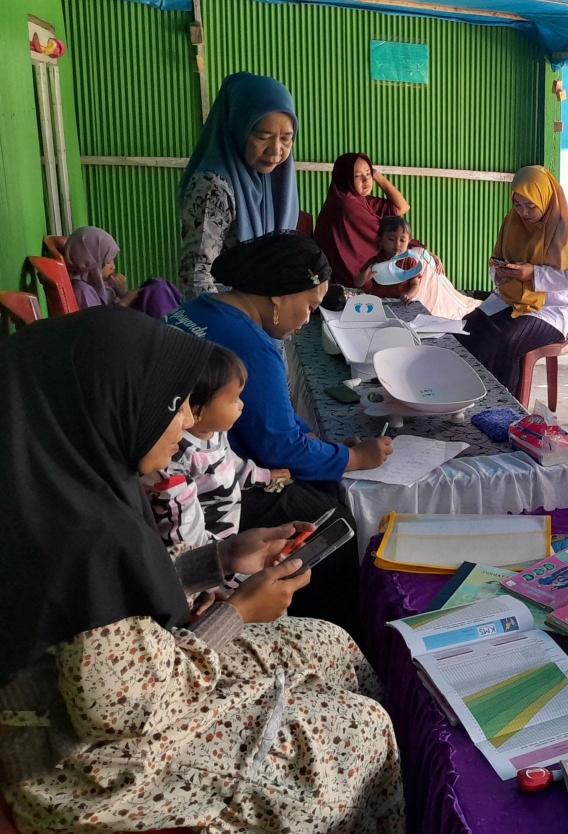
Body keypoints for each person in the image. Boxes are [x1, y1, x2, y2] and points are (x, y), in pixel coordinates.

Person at [0, 306, 404, 832]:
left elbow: (119, 598)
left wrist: (218, 559)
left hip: (131, 683)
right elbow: (123, 711)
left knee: (328, 644)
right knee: (363, 731)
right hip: (89, 770)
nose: (188, 421)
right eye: (172, 405)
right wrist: (237, 613)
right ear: (112, 406)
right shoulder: (83, 537)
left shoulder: (66, 486)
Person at [169, 233, 390, 629]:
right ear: (279, 297)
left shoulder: (204, 308)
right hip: (205, 486)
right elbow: (278, 447)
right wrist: (355, 457)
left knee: (317, 487)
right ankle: (329, 629)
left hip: (203, 460)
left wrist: (326, 449)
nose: (307, 320)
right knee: (332, 521)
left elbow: (275, 428)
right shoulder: (249, 345)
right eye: (308, 307)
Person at [458, 165, 568, 393]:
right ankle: (468, 396)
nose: (523, 212)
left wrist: (534, 274)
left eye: (530, 205)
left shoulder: (567, 233)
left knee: (507, 340)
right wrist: (500, 273)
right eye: (517, 204)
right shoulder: (513, 223)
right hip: (511, 300)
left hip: (550, 310)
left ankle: (507, 407)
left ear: (546, 198)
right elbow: (496, 259)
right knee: (468, 328)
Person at [142, 345, 289, 547]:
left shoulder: (215, 432)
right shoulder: (175, 460)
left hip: (230, 529)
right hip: (209, 549)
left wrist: (265, 477)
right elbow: (187, 547)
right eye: (233, 398)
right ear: (196, 410)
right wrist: (227, 559)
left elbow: (230, 464)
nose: (241, 404)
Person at [178, 73, 299, 299]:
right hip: (228, 317)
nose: (275, 150)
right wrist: (232, 329)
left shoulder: (274, 182)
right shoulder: (213, 186)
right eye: (263, 136)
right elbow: (196, 277)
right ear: (237, 128)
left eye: (286, 138)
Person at [313, 151, 411, 288]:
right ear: (345, 178)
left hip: (352, 278)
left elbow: (403, 207)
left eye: (368, 173)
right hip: (348, 281)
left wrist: (378, 177)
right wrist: (420, 251)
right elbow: (388, 238)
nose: (366, 180)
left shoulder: (359, 199)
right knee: (423, 269)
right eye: (358, 176)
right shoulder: (347, 204)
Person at [357, 215, 480, 319]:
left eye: (402, 240)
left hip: (402, 304)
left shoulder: (410, 261)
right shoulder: (375, 262)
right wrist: (364, 277)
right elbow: (358, 283)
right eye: (391, 239)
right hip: (382, 304)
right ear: (380, 241)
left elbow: (415, 284)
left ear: (408, 241)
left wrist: (409, 295)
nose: (397, 244)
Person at [63, 226, 181, 318]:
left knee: (157, 285)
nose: (113, 266)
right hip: (118, 337)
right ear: (90, 262)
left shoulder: (102, 285)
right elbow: (98, 328)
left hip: (124, 324)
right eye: (108, 260)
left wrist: (122, 292)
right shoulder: (83, 290)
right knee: (157, 291)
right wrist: (125, 301)